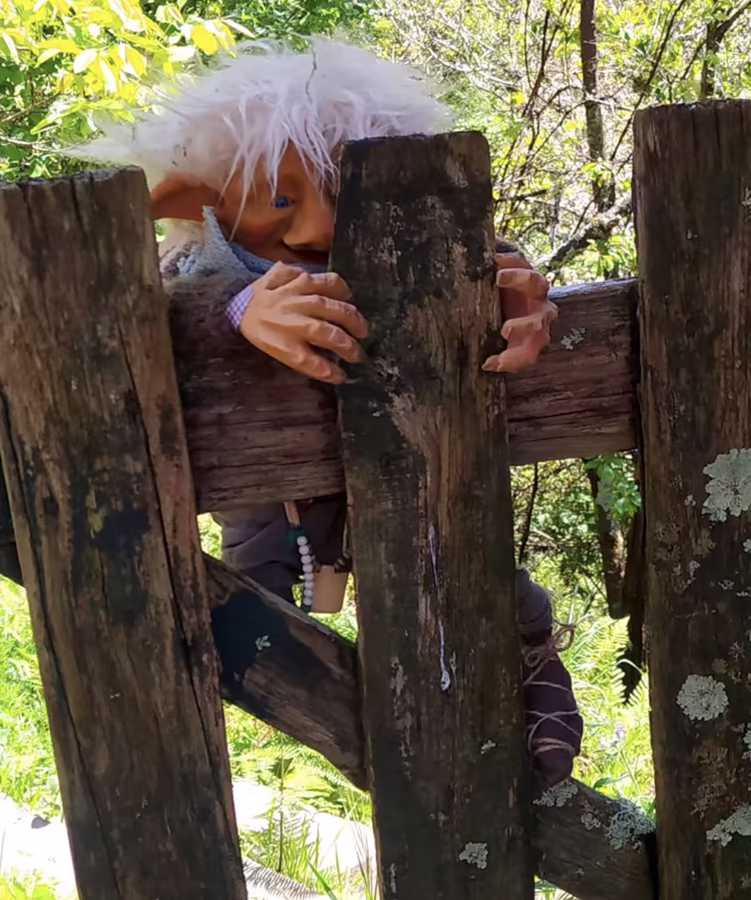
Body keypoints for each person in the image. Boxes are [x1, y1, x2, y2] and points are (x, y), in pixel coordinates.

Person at [75, 37, 583, 787]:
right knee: (251, 616)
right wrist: (237, 308)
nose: (315, 229)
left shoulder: (408, 242)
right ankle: (352, 729)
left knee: (482, 584)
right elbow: (149, 319)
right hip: (263, 507)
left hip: (423, 487)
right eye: (282, 198)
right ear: (201, 198)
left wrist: (510, 294)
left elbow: (484, 267)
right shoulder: (194, 267)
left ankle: (525, 676)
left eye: (339, 192)